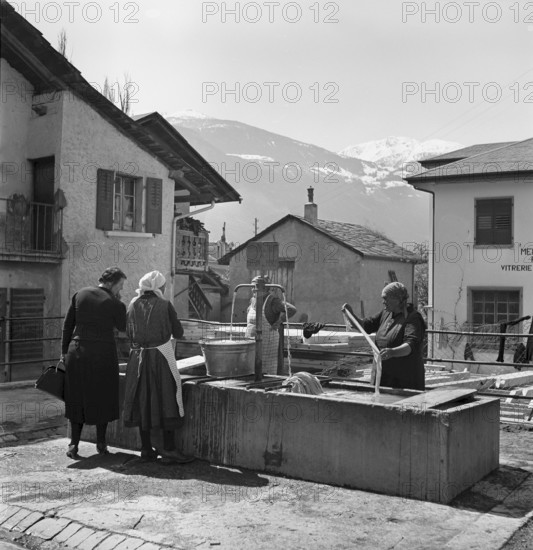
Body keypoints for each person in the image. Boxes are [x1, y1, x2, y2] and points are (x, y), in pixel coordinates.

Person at [122, 270, 194, 464]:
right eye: (163, 286)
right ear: (158, 288)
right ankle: (169, 449)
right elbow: (178, 332)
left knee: (142, 399)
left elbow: (127, 331)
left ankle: (146, 449)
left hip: (137, 358)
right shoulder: (165, 305)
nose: (164, 289)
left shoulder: (132, 304)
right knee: (167, 397)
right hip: (160, 357)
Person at [62, 267, 127, 459]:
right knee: (103, 396)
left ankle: (74, 444)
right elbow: (122, 327)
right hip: (102, 353)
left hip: (77, 351)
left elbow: (68, 326)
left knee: (76, 397)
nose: (121, 289)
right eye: (120, 285)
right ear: (111, 283)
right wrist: (120, 302)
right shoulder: (116, 303)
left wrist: (63, 352)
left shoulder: (79, 294)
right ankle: (101, 443)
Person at [343, 282, 426, 391]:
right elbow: (364, 326)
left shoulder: (413, 318)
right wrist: (350, 315)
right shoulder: (386, 314)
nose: (383, 302)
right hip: (383, 377)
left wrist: (392, 352)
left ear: (397, 299)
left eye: (385, 298)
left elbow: (411, 345)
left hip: (404, 380)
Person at [245, 280, 297, 375]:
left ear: (264, 288)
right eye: (252, 287)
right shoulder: (253, 300)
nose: (253, 290)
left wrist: (278, 322)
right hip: (252, 340)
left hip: (268, 341)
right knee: (252, 367)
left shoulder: (272, 301)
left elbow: (291, 309)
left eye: (255, 287)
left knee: (268, 368)